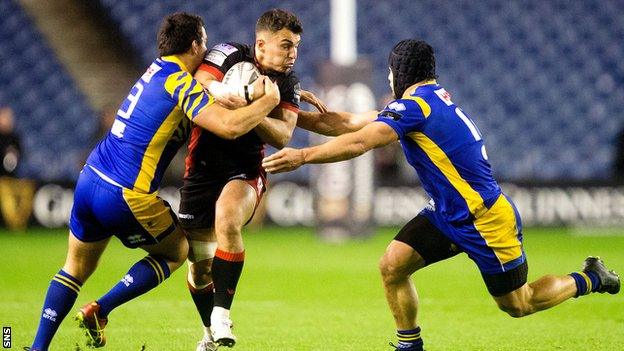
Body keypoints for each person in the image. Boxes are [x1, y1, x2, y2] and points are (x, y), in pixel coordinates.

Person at [262, 39, 621, 351]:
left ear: (399, 72)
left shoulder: (416, 107)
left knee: (518, 303)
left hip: (486, 220)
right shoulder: (424, 103)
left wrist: (303, 156)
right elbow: (347, 122)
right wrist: (287, 110)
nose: (389, 80)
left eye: (390, 72)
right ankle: (410, 344)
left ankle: (590, 278)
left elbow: (360, 140)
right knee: (392, 265)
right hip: (446, 215)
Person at [27, 12, 280, 351]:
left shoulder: (154, 71)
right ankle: (102, 310)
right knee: (178, 251)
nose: (206, 52)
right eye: (204, 43)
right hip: (126, 192)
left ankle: (37, 347)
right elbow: (229, 127)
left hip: (90, 179)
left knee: (74, 267)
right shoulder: (180, 82)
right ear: (195, 44)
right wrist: (268, 102)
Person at [178, 8, 306, 350]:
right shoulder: (227, 52)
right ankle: (208, 332)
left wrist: (258, 110)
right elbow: (201, 82)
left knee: (228, 218)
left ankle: (222, 314)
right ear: (260, 44)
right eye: (286, 45)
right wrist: (234, 96)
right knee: (199, 269)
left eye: (295, 46)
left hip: (245, 170)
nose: (293, 53)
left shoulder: (287, 84)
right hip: (202, 167)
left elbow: (282, 134)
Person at [0, 106, 21, 177]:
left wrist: (14, 153)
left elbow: (21, 154)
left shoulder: (14, 138)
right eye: (4, 117)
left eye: (10, 117)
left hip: (10, 178)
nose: (8, 120)